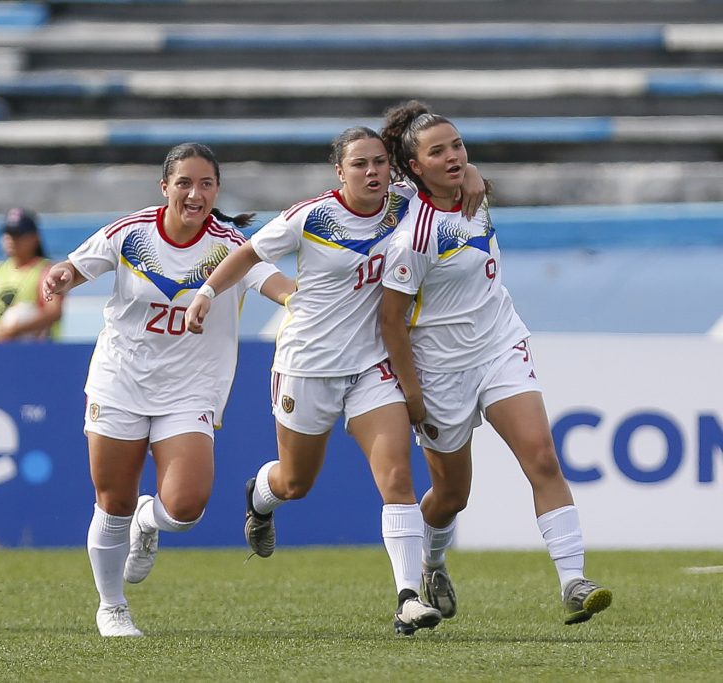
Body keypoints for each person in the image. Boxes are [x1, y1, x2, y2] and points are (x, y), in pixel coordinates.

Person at [184, 126, 484, 636]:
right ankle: (261, 495)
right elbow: (248, 254)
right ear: (339, 172)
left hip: (373, 365)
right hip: (308, 365)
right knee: (296, 482)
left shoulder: (404, 205)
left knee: (398, 479)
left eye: (379, 163)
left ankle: (408, 598)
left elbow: (450, 180)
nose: (371, 172)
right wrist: (206, 294)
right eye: (359, 164)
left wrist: (473, 173)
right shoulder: (312, 216)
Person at [42, 142, 294, 637]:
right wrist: (61, 275)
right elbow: (76, 266)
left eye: (205, 184)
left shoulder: (232, 245)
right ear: (165, 188)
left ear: (217, 190)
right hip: (121, 379)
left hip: (190, 390)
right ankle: (111, 606)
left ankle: (148, 521)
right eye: (184, 182)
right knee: (111, 500)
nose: (195, 193)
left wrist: (301, 300)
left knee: (184, 506)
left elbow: (275, 283)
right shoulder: (131, 233)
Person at [378, 100, 613, 625]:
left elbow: (467, 181)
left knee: (543, 457)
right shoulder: (412, 232)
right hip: (439, 369)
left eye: (458, 146)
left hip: (499, 345)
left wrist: (470, 175)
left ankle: (573, 581)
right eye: (437, 152)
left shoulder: (473, 194)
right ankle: (433, 563)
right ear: (414, 166)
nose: (454, 157)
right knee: (453, 495)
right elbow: (391, 320)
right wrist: (412, 392)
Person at [0, 208, 63, 343]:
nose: (10, 240)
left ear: (35, 238)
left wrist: (14, 331)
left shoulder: (47, 270)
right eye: (7, 234)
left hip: (36, 350)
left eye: (17, 234)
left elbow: (53, 312)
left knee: (23, 313)